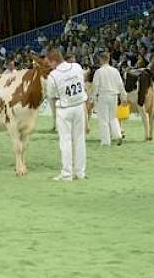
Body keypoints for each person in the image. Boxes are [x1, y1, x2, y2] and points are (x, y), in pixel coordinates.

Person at [45, 49, 88, 181]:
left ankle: (67, 173)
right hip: (79, 106)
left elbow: (51, 95)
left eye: (49, 63)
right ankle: (80, 172)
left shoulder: (53, 75)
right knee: (80, 140)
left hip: (64, 108)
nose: (49, 65)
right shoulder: (77, 67)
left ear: (54, 61)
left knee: (65, 141)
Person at [91, 52, 126, 147]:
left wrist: (93, 99)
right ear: (109, 59)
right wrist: (124, 96)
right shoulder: (115, 71)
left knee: (103, 119)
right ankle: (118, 135)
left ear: (101, 60)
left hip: (103, 96)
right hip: (114, 96)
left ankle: (106, 141)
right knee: (113, 117)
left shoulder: (99, 72)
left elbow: (95, 86)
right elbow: (120, 84)